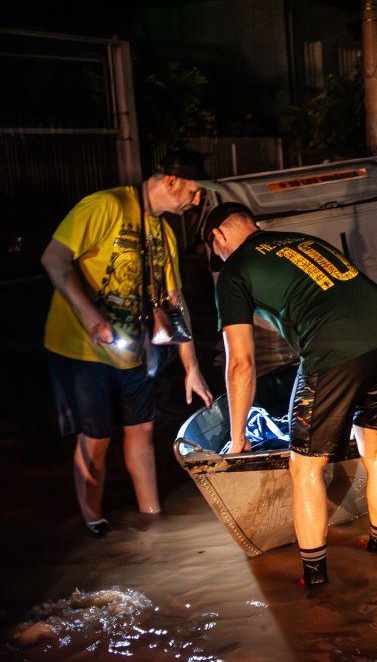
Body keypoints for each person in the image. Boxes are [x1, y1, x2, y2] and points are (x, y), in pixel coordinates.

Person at [205, 202, 377, 588]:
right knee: (375, 447)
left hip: (334, 349)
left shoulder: (233, 271)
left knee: (306, 467)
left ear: (218, 237)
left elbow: (241, 363)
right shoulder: (302, 242)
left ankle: (314, 580)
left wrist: (237, 438)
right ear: (256, 225)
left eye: (214, 249)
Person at [41, 149, 214, 537]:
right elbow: (53, 260)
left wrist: (192, 368)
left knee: (144, 429)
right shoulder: (105, 206)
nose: (198, 200)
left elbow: (175, 304)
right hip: (81, 348)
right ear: (171, 181)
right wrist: (90, 316)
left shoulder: (164, 233)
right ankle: (94, 523)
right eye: (196, 191)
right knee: (97, 436)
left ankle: (152, 517)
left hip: (130, 349)